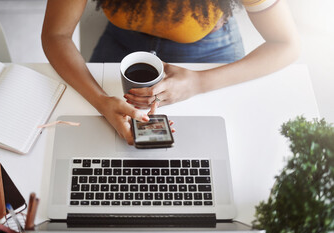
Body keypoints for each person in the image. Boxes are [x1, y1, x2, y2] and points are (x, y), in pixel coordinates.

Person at [42, 0, 300, 144]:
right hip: (123, 40)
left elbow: (286, 45)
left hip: (207, 49)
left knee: (212, 147)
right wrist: (101, 101)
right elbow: (56, 34)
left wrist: (199, 82)